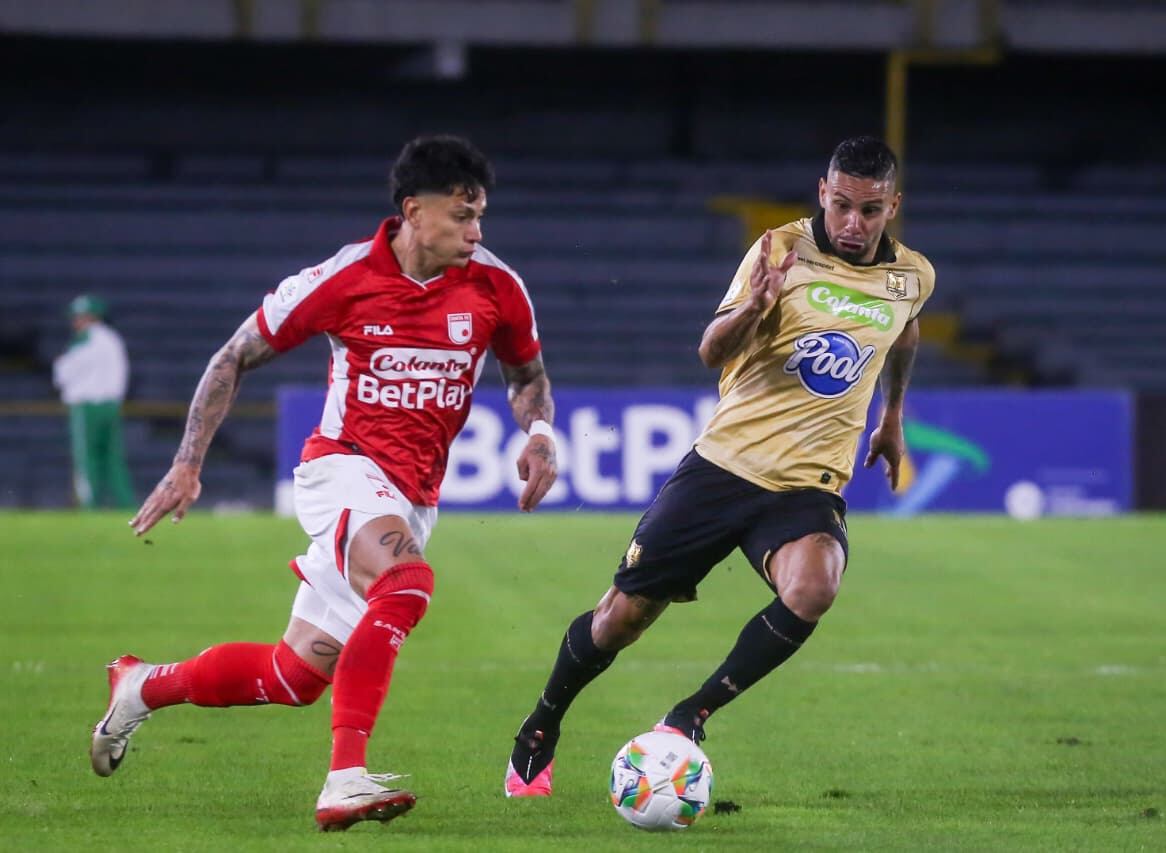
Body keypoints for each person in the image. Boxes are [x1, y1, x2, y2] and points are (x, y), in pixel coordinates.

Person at [90, 135, 559, 831]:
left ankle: (142, 685)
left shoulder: (497, 287)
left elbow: (526, 377)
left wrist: (540, 435)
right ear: (412, 211)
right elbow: (234, 356)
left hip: (411, 496)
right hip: (342, 468)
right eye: (462, 215)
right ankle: (345, 779)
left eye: (480, 215)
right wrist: (188, 462)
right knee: (408, 583)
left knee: (293, 675)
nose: (476, 231)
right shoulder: (343, 278)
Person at [503, 135, 934, 797]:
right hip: (725, 466)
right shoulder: (779, 251)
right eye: (842, 204)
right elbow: (711, 350)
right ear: (823, 193)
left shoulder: (912, 276)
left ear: (893, 206)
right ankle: (541, 723)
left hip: (806, 485)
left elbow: (905, 331)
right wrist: (758, 307)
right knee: (620, 618)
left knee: (815, 585)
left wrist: (894, 414)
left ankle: (689, 716)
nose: (853, 223)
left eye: (870, 210)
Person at [52, 294, 135, 508]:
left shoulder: (83, 340)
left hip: (86, 406)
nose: (74, 322)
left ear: (87, 317)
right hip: (111, 405)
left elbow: (62, 372)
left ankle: (90, 506)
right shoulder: (113, 338)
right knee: (113, 459)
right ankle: (126, 505)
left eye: (78, 317)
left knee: (86, 459)